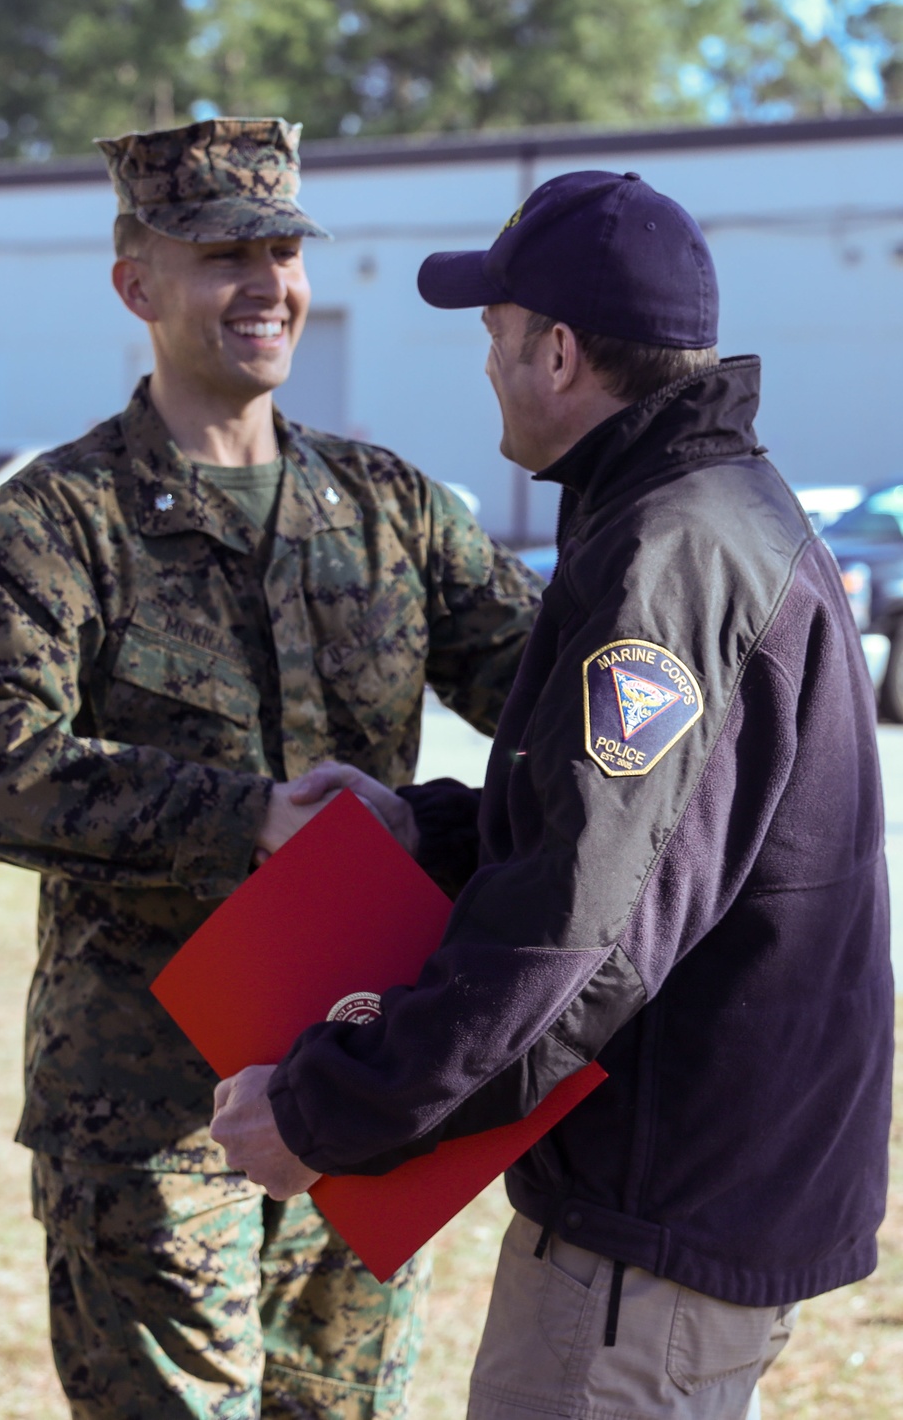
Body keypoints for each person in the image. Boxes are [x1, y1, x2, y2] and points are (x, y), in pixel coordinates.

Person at [210, 169, 894, 1420]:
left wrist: (323, 1112)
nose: (485, 365)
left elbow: (578, 935)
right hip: (687, 1198)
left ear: (561, 351)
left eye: (494, 334)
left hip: (651, 1226)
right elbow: (633, 836)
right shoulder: (701, 510)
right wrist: (417, 825)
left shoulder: (668, 558)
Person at [0, 117, 542, 1420]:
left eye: (283, 249)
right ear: (137, 284)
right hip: (149, 1120)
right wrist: (243, 820)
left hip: (361, 1089)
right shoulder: (58, 524)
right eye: (220, 254)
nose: (267, 283)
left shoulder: (390, 511)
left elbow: (555, 704)